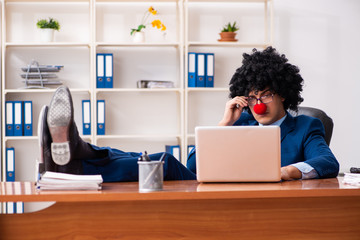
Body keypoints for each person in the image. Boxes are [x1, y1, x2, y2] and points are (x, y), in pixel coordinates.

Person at [187, 47, 339, 180]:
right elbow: (192, 167)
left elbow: (328, 162)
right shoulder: (238, 123)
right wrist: (224, 124)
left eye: (266, 95)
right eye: (252, 98)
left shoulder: (306, 127)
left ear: (282, 94)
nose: (259, 105)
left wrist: (287, 171)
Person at [39, 86, 196, 182]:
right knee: (128, 155)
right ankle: (77, 152)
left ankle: (73, 164)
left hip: (201, 185)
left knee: (165, 161)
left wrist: (222, 121)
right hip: (200, 176)